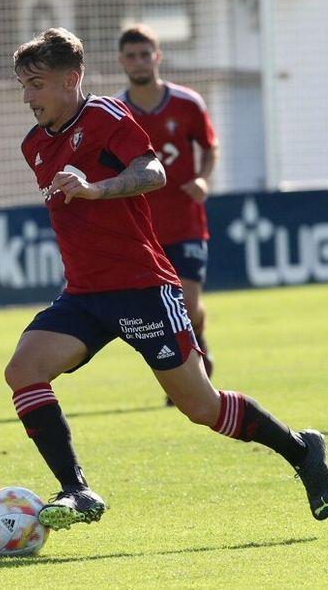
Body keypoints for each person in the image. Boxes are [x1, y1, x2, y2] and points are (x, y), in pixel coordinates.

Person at [8, 27, 328, 530]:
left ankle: (300, 451)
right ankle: (76, 490)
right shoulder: (35, 144)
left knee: (201, 406)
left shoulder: (106, 117)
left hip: (142, 287)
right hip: (85, 294)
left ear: (72, 79)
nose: (27, 97)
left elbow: (153, 172)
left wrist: (96, 188)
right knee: (23, 370)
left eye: (36, 84)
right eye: (23, 86)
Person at [114, 24, 221, 397]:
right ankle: (186, 380)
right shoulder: (115, 112)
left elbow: (208, 147)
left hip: (186, 221)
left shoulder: (187, 104)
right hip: (142, 230)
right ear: (121, 61)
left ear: (157, 57)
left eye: (146, 54)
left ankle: (199, 343)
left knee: (189, 305)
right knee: (162, 311)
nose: (139, 61)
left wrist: (204, 180)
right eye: (132, 55)